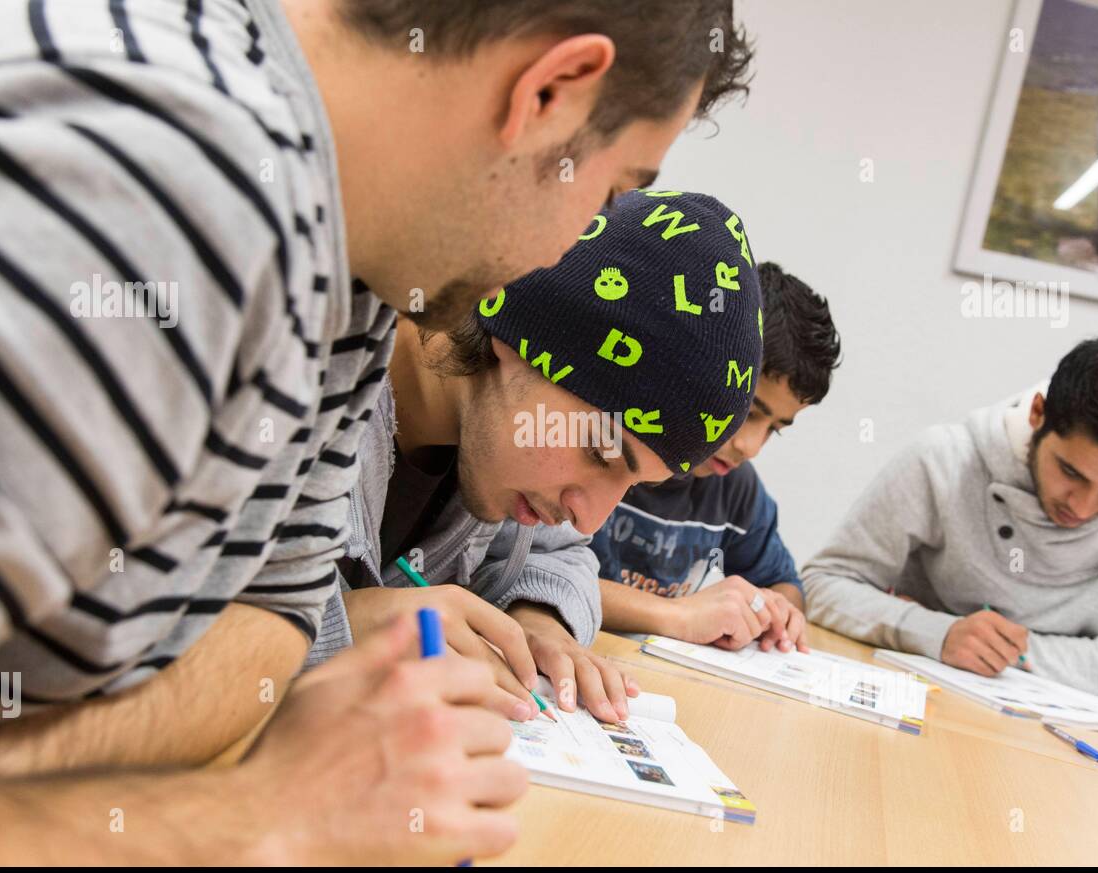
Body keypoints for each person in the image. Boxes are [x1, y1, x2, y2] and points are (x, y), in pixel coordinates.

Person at [0, 0, 753, 863]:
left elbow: (270, 622)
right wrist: (255, 819)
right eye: (609, 194)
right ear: (550, 90)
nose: (571, 252)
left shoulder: (358, 265)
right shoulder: (165, 186)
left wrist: (1, 778)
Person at [313, 188, 766, 724]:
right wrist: (350, 626)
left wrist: (537, 618)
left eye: (633, 485)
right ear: (526, 334)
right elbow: (220, 621)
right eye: (600, 451)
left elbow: (562, 554)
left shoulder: (499, 447)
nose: (590, 518)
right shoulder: (304, 379)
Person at [802, 335, 1098, 708]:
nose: (1085, 507)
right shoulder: (944, 460)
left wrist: (997, 648)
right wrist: (937, 633)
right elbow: (822, 585)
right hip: (924, 704)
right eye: (1071, 472)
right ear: (1038, 413)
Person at [589, 263, 840, 652]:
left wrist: (776, 609)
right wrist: (680, 615)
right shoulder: (599, 447)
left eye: (774, 429)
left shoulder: (735, 487)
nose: (750, 447)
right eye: (748, 412)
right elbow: (535, 576)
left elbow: (785, 584)